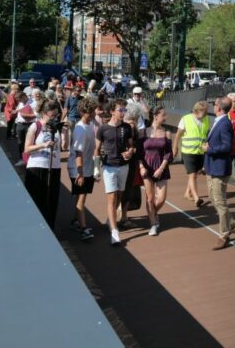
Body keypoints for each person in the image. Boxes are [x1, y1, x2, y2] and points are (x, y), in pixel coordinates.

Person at [95, 98, 136, 246]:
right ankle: (114, 232)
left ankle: (110, 220)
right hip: (109, 167)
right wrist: (96, 169)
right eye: (121, 110)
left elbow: (131, 146)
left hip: (123, 166)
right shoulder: (103, 129)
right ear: (112, 111)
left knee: (119, 195)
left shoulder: (127, 127)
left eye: (125, 110)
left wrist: (130, 152)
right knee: (111, 198)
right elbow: (96, 149)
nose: (123, 112)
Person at [24, 100, 64, 229]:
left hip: (54, 167)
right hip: (37, 166)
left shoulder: (57, 128)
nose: (55, 118)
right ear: (45, 114)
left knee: (52, 200)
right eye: (52, 116)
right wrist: (43, 145)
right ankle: (34, 227)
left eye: (57, 115)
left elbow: (63, 147)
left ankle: (50, 228)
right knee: (37, 199)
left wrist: (66, 132)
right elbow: (27, 148)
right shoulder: (35, 126)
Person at [204, 96, 235, 250]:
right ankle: (231, 224)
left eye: (214, 104)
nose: (213, 106)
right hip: (212, 166)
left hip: (219, 168)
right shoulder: (219, 121)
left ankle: (224, 234)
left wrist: (210, 150)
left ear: (219, 107)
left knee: (220, 201)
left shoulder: (225, 124)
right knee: (213, 197)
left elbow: (227, 146)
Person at [139, 106, 173, 236]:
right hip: (147, 168)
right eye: (164, 115)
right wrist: (141, 167)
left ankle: (152, 213)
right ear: (155, 116)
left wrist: (161, 168)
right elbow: (139, 153)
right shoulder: (143, 132)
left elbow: (168, 153)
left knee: (161, 199)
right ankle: (153, 224)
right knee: (150, 198)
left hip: (161, 167)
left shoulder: (166, 133)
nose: (166, 117)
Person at [68, 97, 99, 241]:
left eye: (93, 111)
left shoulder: (90, 125)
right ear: (82, 112)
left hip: (87, 167)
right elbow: (78, 153)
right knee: (81, 197)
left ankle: (76, 221)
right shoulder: (80, 130)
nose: (93, 114)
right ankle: (84, 229)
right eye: (90, 112)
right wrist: (79, 174)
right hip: (79, 169)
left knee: (81, 196)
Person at [173, 100, 210, 207]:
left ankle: (187, 193)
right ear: (197, 111)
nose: (206, 114)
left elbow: (206, 134)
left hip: (200, 151)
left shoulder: (206, 119)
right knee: (192, 175)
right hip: (188, 152)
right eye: (204, 112)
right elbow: (178, 135)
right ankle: (196, 198)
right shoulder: (186, 119)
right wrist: (175, 148)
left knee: (194, 174)